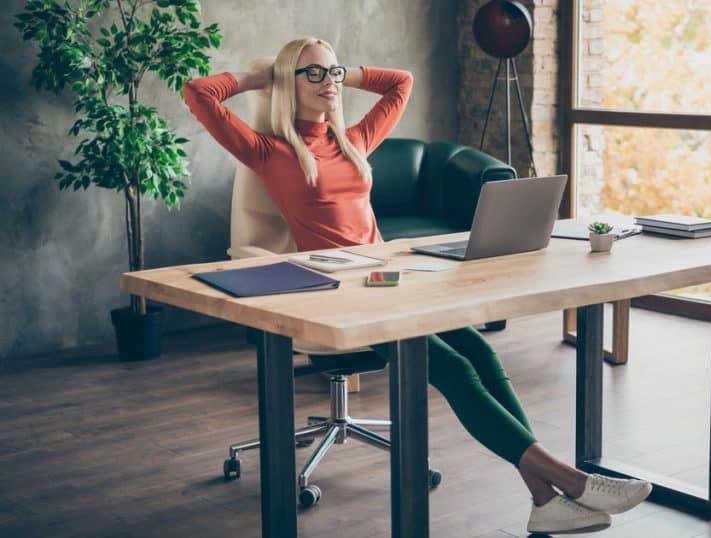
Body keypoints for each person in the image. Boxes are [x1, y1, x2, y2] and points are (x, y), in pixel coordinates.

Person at [182, 36, 651, 535]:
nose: (330, 83)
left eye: (334, 73)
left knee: (479, 353)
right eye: (313, 74)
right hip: (341, 294)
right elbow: (198, 93)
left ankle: (543, 496)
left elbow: (400, 84)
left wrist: (345, 71)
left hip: (390, 278)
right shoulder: (269, 151)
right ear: (287, 84)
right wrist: (262, 78)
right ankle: (570, 481)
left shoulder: (352, 141)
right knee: (448, 366)